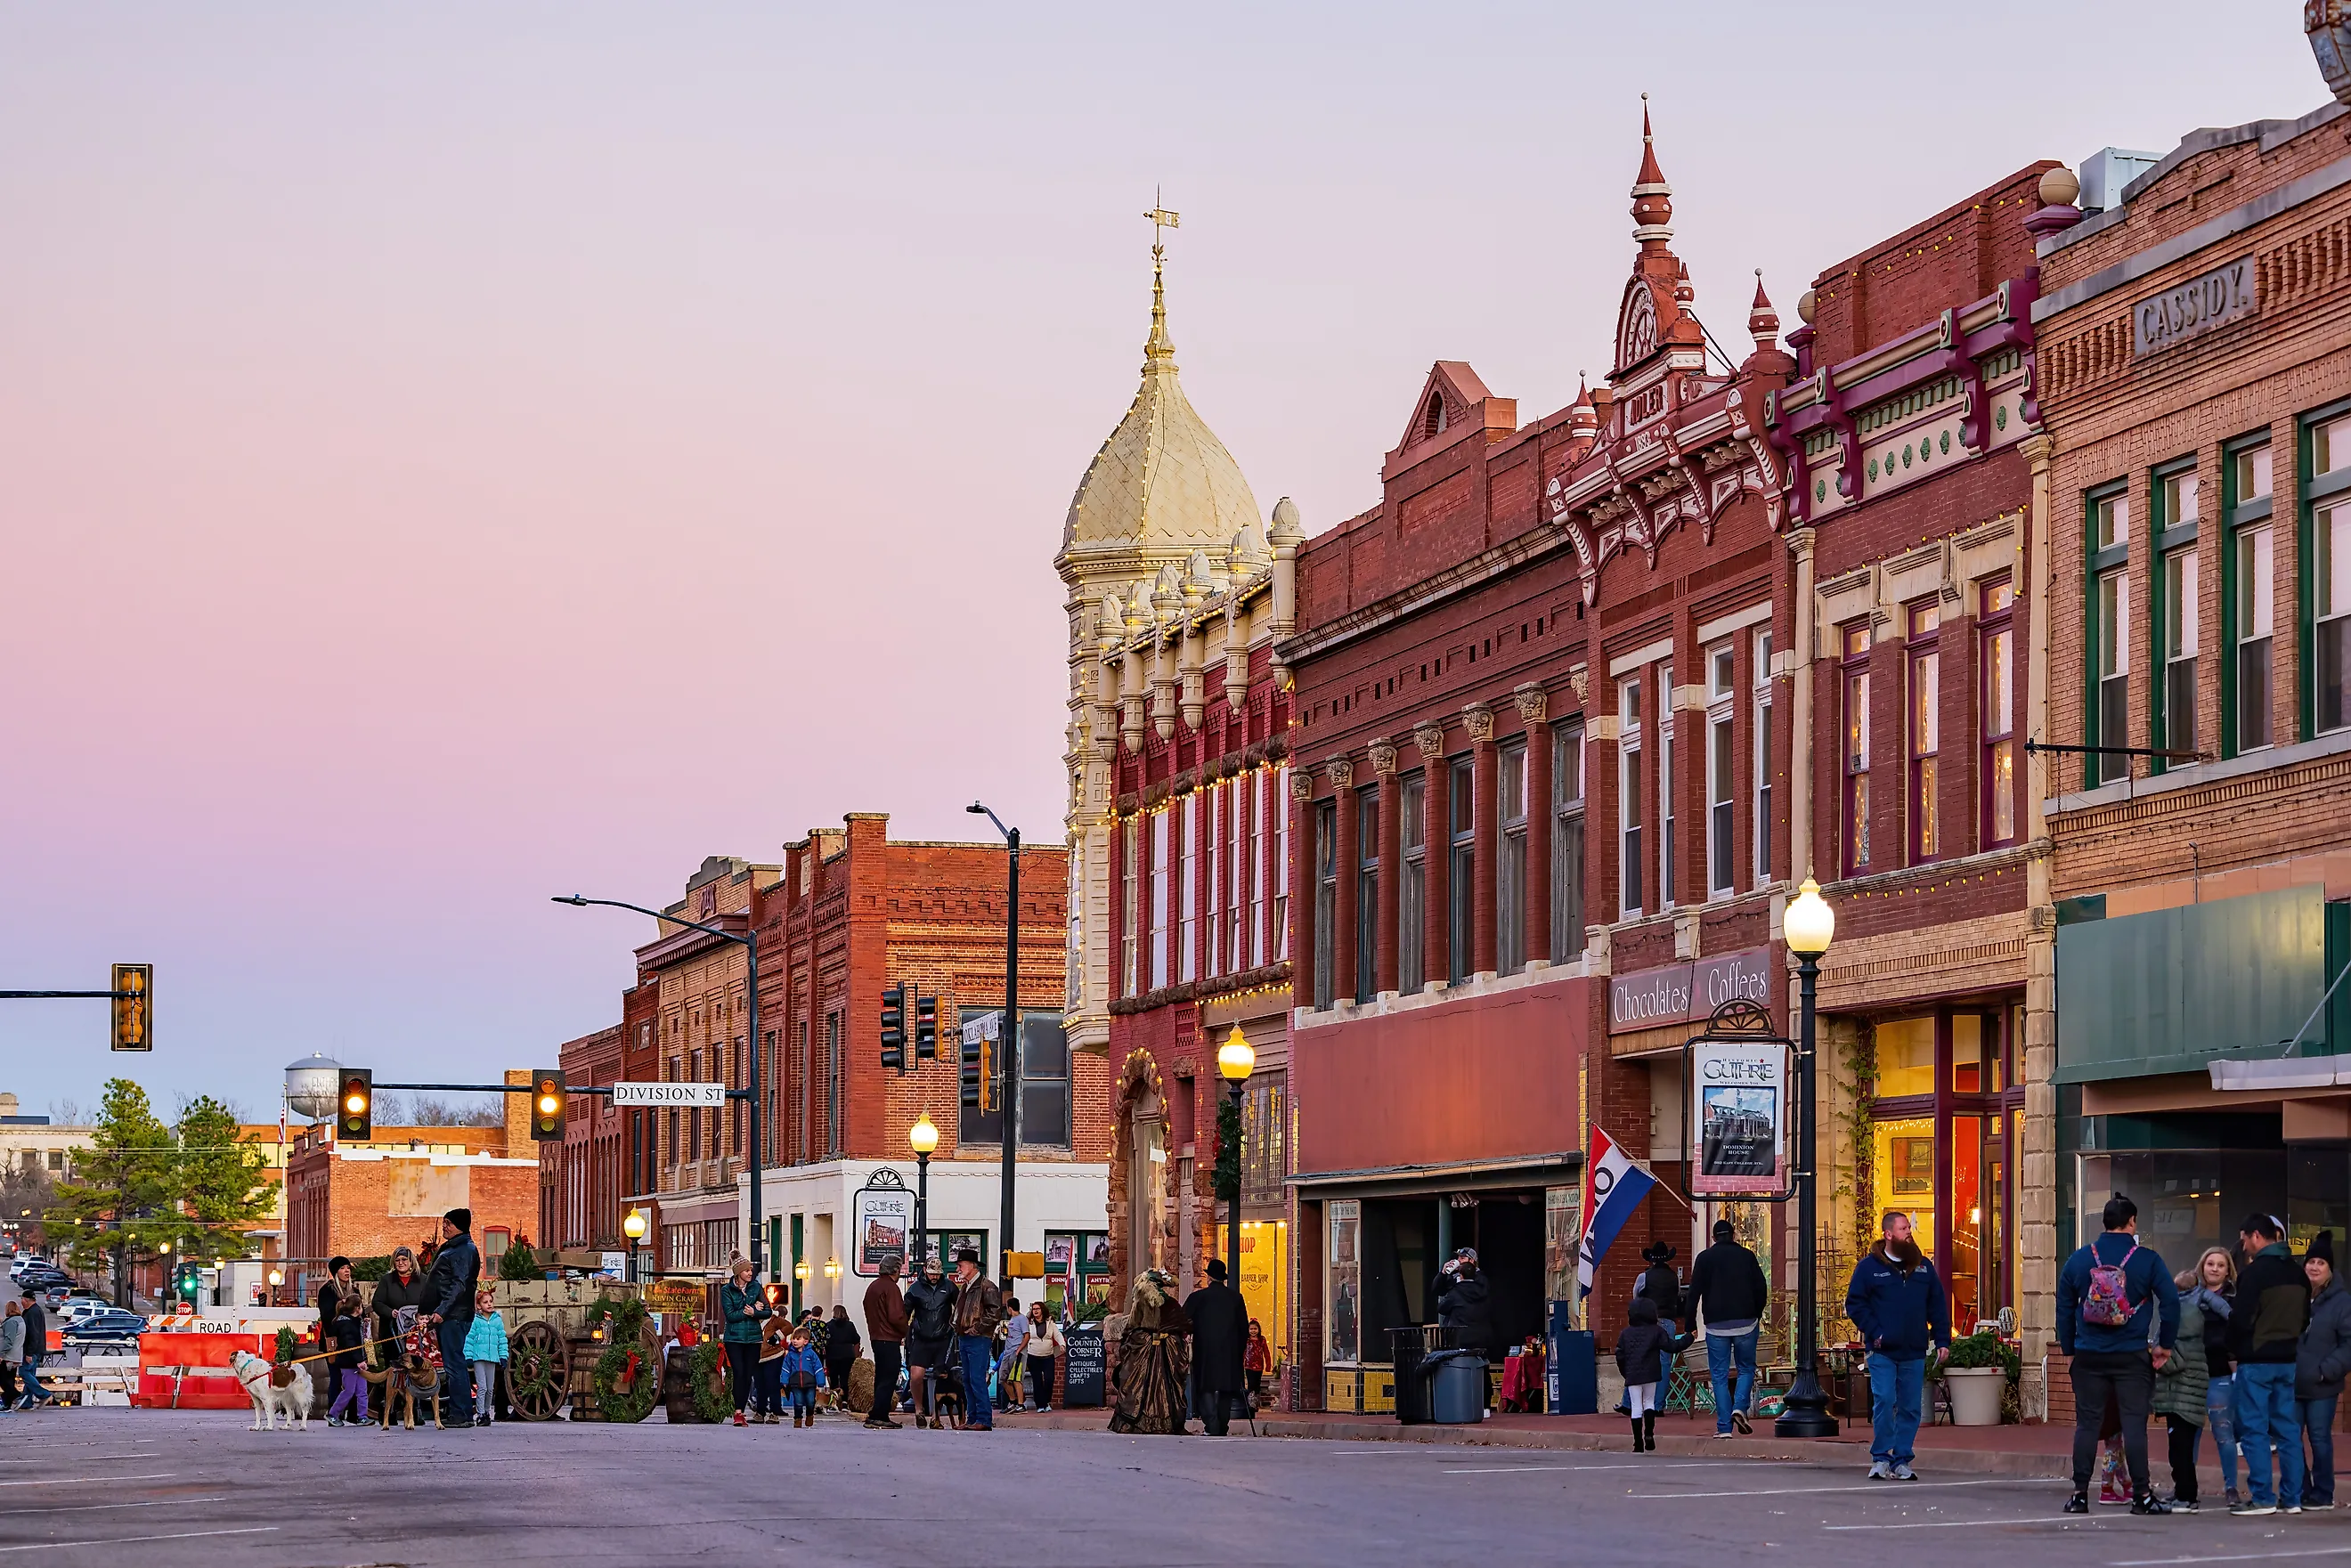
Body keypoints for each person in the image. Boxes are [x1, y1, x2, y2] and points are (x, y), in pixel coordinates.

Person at [2055, 1194, 2177, 1515]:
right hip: (2132, 1354)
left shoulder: (2080, 1259)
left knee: (2087, 1424)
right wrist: (2164, 1344)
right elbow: (2171, 1302)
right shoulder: (2147, 1260)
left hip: (2089, 1354)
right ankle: (2142, 1496)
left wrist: (2069, 1349)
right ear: (2132, 1222)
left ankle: (2080, 1494)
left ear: (2103, 1223)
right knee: (2134, 1425)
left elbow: (2064, 1306)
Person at [1844, 1209, 1951, 1483]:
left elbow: (1937, 1305)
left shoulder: (1924, 1267)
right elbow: (1855, 1303)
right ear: (1888, 1234)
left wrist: (1942, 1340)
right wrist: (1876, 1331)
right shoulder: (1869, 1268)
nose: (1908, 1232)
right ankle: (1881, 1458)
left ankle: (1902, 1460)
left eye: (1908, 1228)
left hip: (1914, 1348)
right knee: (1885, 1399)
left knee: (1910, 1406)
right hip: (1881, 1350)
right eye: (1903, 1229)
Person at [2230, 1211, 2311, 1516]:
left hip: (2256, 1360)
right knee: (2288, 1430)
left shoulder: (2254, 1274)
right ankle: (2292, 1498)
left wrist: (2236, 1348)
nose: (2244, 1246)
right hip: (2287, 1359)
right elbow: (2305, 1318)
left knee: (2254, 1429)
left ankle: (2262, 1496)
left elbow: (2240, 1319)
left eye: (2245, 1239)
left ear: (2256, 1237)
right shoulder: (2298, 1273)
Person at [1689, 1217, 1769, 1437]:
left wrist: (1689, 1324)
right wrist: (1757, 1312)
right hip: (1746, 1321)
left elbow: (1693, 1293)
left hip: (1715, 1324)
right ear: (1733, 1235)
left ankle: (1724, 1427)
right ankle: (1739, 1407)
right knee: (1746, 1368)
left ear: (1713, 1238)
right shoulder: (1747, 1256)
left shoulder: (1704, 1258)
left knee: (1719, 1375)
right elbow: (1761, 1287)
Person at [2152, 1255, 2217, 1511]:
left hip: (2181, 1398)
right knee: (2181, 1449)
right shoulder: (2195, 1334)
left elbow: (2172, 1363)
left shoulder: (2183, 1333)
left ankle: (2186, 1496)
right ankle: (2183, 1492)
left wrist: (2154, 1357)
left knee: (2180, 1450)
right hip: (2182, 1397)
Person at [2181, 1247, 2241, 1506]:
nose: (2214, 1269)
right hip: (2191, 1373)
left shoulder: (2234, 1299)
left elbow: (2238, 1332)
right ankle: (2187, 1487)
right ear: (2201, 1267)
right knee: (2189, 1434)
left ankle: (2231, 1487)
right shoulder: (2188, 1295)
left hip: (2220, 1374)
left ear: (2228, 1271)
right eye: (2210, 1264)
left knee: (2224, 1432)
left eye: (2220, 1265)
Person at [2299, 1231, 2349, 1510]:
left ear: (2330, 1269)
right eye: (2311, 1261)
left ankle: (2323, 1493)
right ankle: (2300, 1489)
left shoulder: (2342, 1303)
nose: (2314, 1267)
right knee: (2290, 1440)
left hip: (2322, 1385)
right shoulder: (2294, 1296)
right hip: (2292, 1382)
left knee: (2319, 1439)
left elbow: (2349, 1344)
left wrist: (2325, 1370)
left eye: (2321, 1263)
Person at [418, 1208, 482, 1429]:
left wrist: (441, 1311)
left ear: (460, 1226)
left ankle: (461, 1414)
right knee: (453, 1363)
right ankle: (459, 1411)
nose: (444, 1226)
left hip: (454, 1316)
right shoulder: (455, 1247)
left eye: (449, 1223)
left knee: (455, 1365)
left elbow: (459, 1285)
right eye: (444, 1222)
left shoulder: (464, 1250)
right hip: (448, 1315)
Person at [1108, 1269, 1192, 1435]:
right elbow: (1184, 1325)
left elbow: (1132, 1324)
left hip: (1145, 1346)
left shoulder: (1140, 1300)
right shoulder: (1171, 1303)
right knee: (1167, 1385)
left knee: (1138, 1385)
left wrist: (1127, 1340)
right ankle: (1166, 1422)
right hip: (1166, 1348)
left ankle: (1138, 1423)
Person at [1614, 1296, 1688, 1452]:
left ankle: (1637, 1443)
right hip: (1651, 1372)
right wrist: (1690, 1338)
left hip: (1633, 1374)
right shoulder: (1657, 1331)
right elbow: (1672, 1346)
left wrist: (1625, 1372)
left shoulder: (1625, 1333)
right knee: (1649, 1403)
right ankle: (1649, 1434)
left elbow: (1620, 1355)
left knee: (1635, 1407)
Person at [1185, 1257, 1249, 1434]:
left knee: (1205, 1387)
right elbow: (1243, 1328)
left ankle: (1211, 1424)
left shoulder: (1197, 1298)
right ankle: (1221, 1425)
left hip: (1204, 1351)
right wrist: (1239, 1350)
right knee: (1226, 1388)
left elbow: (1183, 1321)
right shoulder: (1236, 1298)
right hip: (1229, 1352)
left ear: (1209, 1278)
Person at [370, 1246, 429, 1424]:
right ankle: (389, 1409)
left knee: (414, 1370)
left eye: (404, 1260)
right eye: (398, 1260)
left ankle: (414, 1410)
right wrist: (390, 1312)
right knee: (394, 1370)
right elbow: (377, 1302)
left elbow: (429, 1300)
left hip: (415, 1334)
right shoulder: (387, 1280)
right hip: (392, 1332)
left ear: (411, 1261)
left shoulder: (422, 1280)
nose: (401, 1263)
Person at [950, 1248, 1005, 1432]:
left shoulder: (987, 1286)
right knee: (967, 1379)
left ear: (972, 1266)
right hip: (966, 1337)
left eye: (960, 1265)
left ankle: (983, 1419)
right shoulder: (967, 1286)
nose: (958, 1269)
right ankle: (973, 1418)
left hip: (978, 1338)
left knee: (976, 1378)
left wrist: (976, 1328)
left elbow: (994, 1313)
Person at [904, 1255, 957, 1430]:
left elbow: (960, 1307)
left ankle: (936, 1416)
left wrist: (956, 1326)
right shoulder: (915, 1289)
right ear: (925, 1270)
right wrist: (903, 1333)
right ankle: (919, 1410)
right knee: (916, 1376)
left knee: (942, 1377)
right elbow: (905, 1312)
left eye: (937, 1274)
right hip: (921, 1337)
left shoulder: (949, 1286)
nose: (935, 1277)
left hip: (943, 1337)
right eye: (932, 1273)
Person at [719, 1255, 770, 1428]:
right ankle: (738, 1411)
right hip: (734, 1339)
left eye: (751, 1270)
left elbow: (768, 1311)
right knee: (739, 1372)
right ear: (738, 1272)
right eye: (747, 1270)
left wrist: (755, 1312)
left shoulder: (756, 1287)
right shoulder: (727, 1290)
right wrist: (749, 1310)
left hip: (754, 1339)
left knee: (748, 1374)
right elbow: (730, 1315)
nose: (751, 1272)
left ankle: (740, 1411)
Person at [862, 1258, 909, 1430]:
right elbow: (896, 1316)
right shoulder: (891, 1288)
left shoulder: (873, 1287)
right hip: (889, 1338)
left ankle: (876, 1413)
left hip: (876, 1337)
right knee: (888, 1378)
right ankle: (880, 1414)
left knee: (881, 1377)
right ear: (895, 1270)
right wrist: (906, 1330)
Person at [462, 1283, 508, 1428]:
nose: (489, 1304)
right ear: (478, 1305)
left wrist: (503, 1356)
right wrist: (468, 1356)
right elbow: (469, 1339)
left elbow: (502, 1339)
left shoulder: (497, 1321)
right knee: (481, 1387)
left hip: (492, 1357)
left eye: (490, 1301)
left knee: (490, 1388)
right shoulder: (475, 1321)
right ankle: (480, 1413)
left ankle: (487, 1412)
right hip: (478, 1357)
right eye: (485, 1302)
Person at [323, 1294, 370, 1427]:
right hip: (349, 1364)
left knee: (362, 1390)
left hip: (358, 1362)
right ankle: (333, 1414)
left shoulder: (355, 1322)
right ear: (357, 1308)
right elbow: (350, 1345)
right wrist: (359, 1360)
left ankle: (362, 1416)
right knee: (349, 1390)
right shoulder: (346, 1324)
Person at [780, 1327, 825, 1428]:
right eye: (794, 1339)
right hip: (796, 1383)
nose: (794, 1341)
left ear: (805, 1341)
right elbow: (786, 1368)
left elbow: (818, 1368)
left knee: (810, 1401)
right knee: (798, 1402)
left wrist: (820, 1382)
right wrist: (784, 1380)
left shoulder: (811, 1354)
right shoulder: (790, 1355)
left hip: (810, 1383)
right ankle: (797, 1419)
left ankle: (809, 1415)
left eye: (798, 1339)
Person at [1024, 1300, 1063, 1412]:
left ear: (1042, 1310)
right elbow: (1025, 1336)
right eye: (1034, 1309)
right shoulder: (1029, 1323)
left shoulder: (1050, 1322)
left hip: (1048, 1355)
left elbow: (1057, 1334)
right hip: (1033, 1354)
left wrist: (1062, 1344)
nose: (1035, 1311)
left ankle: (1046, 1402)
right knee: (1037, 1381)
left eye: (1037, 1309)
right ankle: (1040, 1405)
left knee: (1049, 1379)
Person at [824, 1303, 861, 1414]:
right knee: (845, 1379)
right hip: (847, 1354)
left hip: (833, 1354)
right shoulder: (850, 1325)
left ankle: (833, 1402)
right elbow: (856, 1339)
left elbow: (825, 1340)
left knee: (834, 1379)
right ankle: (844, 1402)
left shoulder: (829, 1325)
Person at [15, 1294, 49, 1410]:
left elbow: (34, 1334)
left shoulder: (32, 1313)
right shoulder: (36, 1310)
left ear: (26, 1300)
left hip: (32, 1350)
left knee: (24, 1372)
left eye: (22, 1300)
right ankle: (27, 1402)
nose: (21, 1303)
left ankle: (44, 1394)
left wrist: (29, 1352)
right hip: (37, 1349)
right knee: (31, 1375)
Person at [996, 1295, 1028, 1413]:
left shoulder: (1022, 1318)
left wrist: (1019, 1349)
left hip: (1017, 1352)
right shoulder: (1012, 1320)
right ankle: (1013, 1401)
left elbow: (1027, 1335)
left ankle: (1021, 1405)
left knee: (1016, 1379)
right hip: (1007, 1353)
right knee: (1002, 1378)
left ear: (1010, 1308)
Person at [1242, 1319, 1273, 1414]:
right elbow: (1243, 1353)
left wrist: (1268, 1366)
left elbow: (1266, 1353)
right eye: (1251, 1329)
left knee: (1257, 1386)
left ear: (1259, 1329)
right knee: (1251, 1385)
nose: (1253, 1331)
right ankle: (1250, 1405)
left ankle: (1255, 1404)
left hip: (1259, 1366)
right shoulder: (1246, 1340)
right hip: (1249, 1366)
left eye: (1255, 1329)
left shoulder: (1262, 1339)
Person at [0, 1300, 24, 1413]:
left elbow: (8, 1340)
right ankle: (7, 1405)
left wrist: (1, 1354)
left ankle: (17, 1395)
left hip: (8, 1356)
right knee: (9, 1380)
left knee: (3, 1380)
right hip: (16, 1355)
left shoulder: (11, 1322)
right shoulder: (20, 1320)